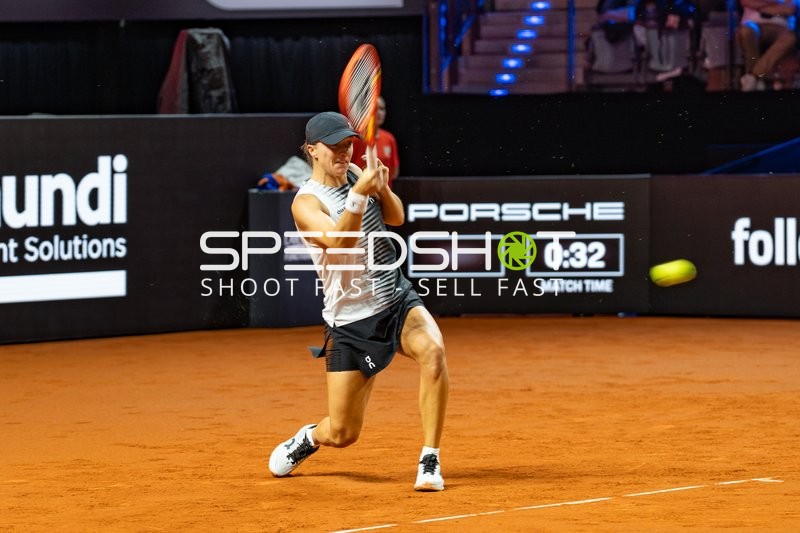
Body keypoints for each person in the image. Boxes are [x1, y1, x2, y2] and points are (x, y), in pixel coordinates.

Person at [267, 111, 449, 492]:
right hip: (350, 321)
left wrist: (379, 187)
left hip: (395, 298)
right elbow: (338, 242)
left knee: (433, 352)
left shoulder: (356, 176)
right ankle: (310, 438)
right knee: (344, 433)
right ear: (312, 151)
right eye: (335, 147)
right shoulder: (305, 203)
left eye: (348, 144)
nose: (344, 153)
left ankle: (429, 457)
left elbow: (396, 218)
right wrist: (359, 193)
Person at [736, 0, 797, 91]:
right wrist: (776, 5)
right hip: (752, 25)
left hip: (780, 28)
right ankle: (755, 79)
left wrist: (761, 6)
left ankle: (753, 76)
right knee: (746, 32)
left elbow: (790, 9)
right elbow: (746, 2)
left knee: (790, 37)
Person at [350, 96, 400, 187]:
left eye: (382, 109)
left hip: (384, 195)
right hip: (359, 193)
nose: (379, 113)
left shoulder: (389, 138)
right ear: (365, 112)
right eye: (375, 108)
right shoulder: (355, 139)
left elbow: (394, 171)